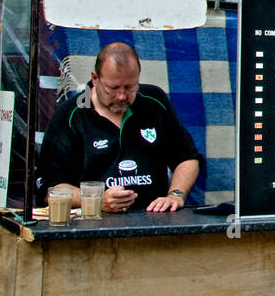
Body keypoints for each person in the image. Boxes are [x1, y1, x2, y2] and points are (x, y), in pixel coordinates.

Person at [38, 41, 203, 213]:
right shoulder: (71, 114)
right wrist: (96, 201)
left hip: (153, 219)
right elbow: (51, 189)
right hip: (93, 224)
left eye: (130, 87)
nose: (122, 96)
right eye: (113, 88)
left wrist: (175, 195)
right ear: (95, 79)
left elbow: (187, 158)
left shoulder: (154, 101)